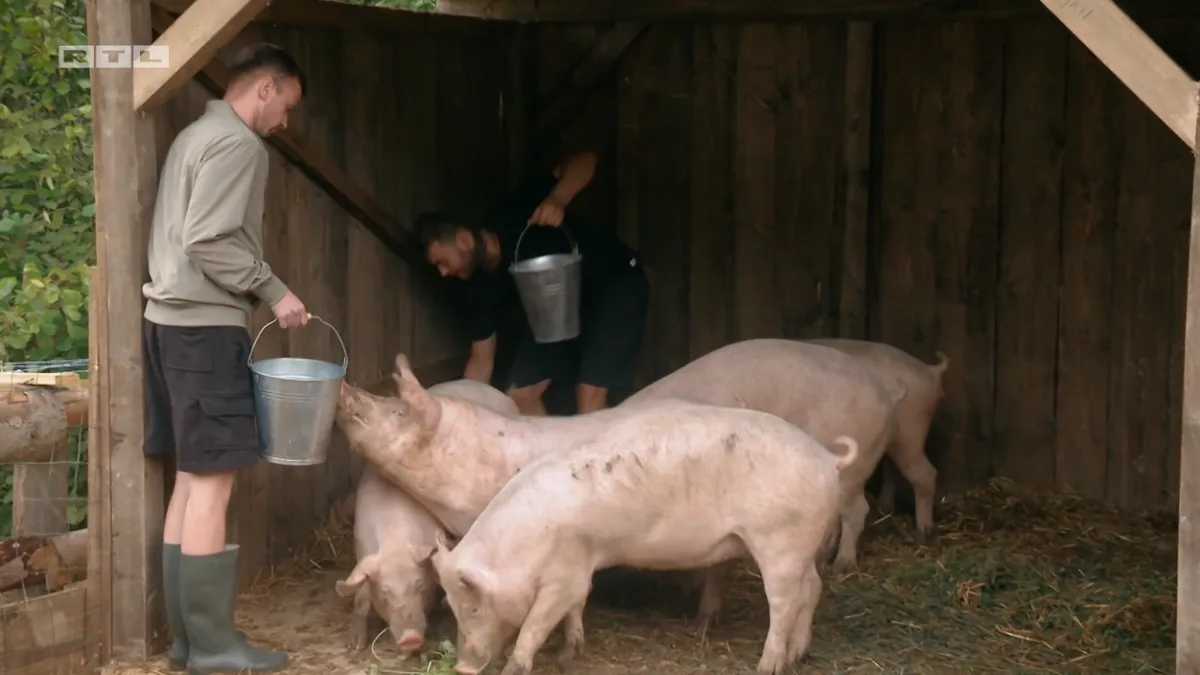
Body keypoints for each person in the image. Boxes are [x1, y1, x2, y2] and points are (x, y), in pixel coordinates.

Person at [141, 43, 309, 674]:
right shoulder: (239, 144)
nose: (284, 122)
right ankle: (213, 648)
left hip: (169, 326)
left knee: (191, 478)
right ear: (265, 88)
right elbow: (208, 238)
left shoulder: (195, 133)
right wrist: (275, 289)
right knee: (213, 484)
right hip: (205, 331)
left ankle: (189, 641)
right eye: (286, 106)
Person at [416, 151, 649, 415]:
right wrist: (463, 415)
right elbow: (481, 359)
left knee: (589, 395)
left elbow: (587, 160)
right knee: (520, 396)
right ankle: (557, 456)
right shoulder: (474, 287)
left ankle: (605, 455)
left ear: (463, 240)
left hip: (612, 285)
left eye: (441, 262)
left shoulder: (517, 208)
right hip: (556, 319)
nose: (443, 273)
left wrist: (557, 199)